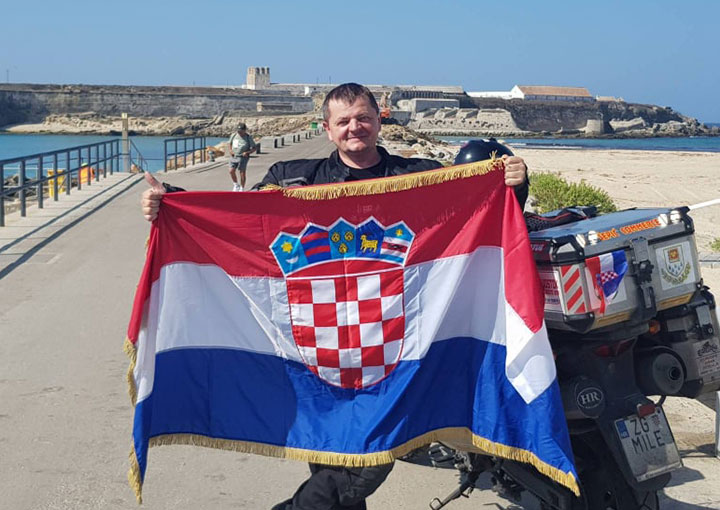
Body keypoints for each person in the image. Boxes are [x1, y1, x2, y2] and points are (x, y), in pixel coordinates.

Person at [140, 83, 529, 509]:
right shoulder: (292, 179)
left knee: (366, 462)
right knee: (334, 460)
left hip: (393, 354)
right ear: (327, 129)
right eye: (343, 121)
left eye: (363, 118)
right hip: (319, 356)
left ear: (379, 121)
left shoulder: (420, 176)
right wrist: (172, 203)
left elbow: (480, 208)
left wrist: (515, 183)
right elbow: (238, 223)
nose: (354, 128)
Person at [228, 122, 257, 191]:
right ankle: (236, 184)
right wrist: (230, 150)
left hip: (243, 157)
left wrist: (247, 152)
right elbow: (229, 143)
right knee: (231, 171)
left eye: (241, 131)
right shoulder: (234, 135)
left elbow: (254, 148)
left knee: (242, 173)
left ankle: (242, 187)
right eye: (238, 131)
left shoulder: (248, 137)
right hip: (234, 156)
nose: (239, 132)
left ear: (244, 130)